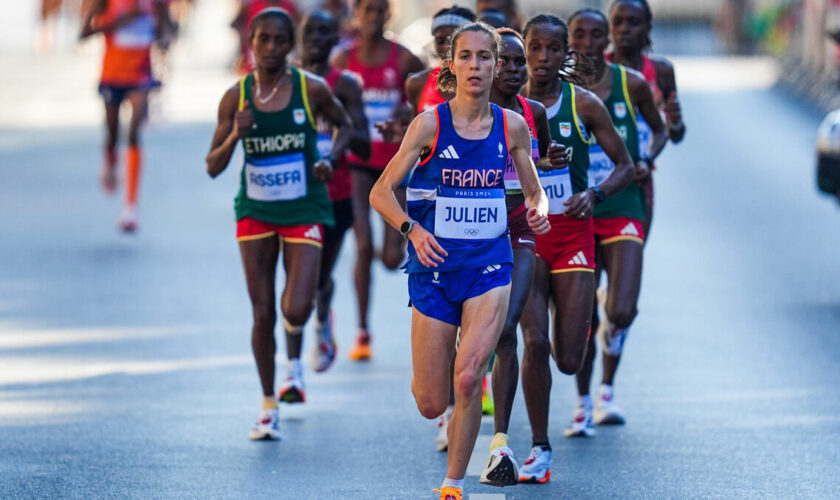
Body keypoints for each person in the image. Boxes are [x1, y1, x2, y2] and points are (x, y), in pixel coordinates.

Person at [369, 22, 549, 500]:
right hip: (433, 267)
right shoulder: (429, 124)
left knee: (469, 377)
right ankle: (442, 377)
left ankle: (453, 484)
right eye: (465, 57)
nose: (476, 65)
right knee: (431, 401)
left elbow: (535, 191)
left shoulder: (512, 126)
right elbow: (381, 193)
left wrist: (538, 210)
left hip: (490, 264)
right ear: (451, 65)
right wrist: (413, 229)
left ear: (496, 64)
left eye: (485, 57)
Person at [205, 8, 353, 440]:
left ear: (291, 45)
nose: (271, 49)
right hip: (256, 211)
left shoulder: (313, 89)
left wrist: (329, 158)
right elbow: (213, 166)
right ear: (251, 42)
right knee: (263, 311)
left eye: (279, 41)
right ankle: (268, 404)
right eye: (263, 40)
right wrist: (235, 135)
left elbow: (345, 127)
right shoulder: (236, 97)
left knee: (296, 306)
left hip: (306, 207)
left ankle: (299, 356)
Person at [514, 14, 635, 483]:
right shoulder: (505, 106)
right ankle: (539, 448)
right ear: (523, 50)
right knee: (535, 342)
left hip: (571, 237)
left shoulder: (583, 105)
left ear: (567, 54)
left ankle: (589, 331)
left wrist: (595, 195)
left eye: (552, 50)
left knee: (568, 358)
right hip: (525, 236)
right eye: (534, 48)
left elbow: (626, 164)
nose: (542, 59)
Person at [568, 7, 666, 431]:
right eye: (579, 35)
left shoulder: (634, 84)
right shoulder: (553, 90)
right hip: (576, 210)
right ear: (568, 42)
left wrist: (646, 157)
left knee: (621, 310)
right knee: (583, 313)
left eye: (596, 35)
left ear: (607, 40)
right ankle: (588, 400)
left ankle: (608, 384)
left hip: (624, 202)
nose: (588, 43)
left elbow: (660, 130)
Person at [332, 0, 425, 361]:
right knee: (363, 244)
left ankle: (382, 253)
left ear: (389, 14)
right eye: (366, 10)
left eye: (379, 10)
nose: (372, 17)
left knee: (389, 257)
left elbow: (424, 104)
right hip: (356, 165)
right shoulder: (343, 61)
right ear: (355, 14)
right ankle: (362, 332)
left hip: (395, 168)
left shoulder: (405, 60)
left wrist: (407, 115)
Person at [299, 10, 371, 372]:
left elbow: (365, 148)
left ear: (335, 40)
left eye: (324, 32)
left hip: (335, 196)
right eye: (309, 30)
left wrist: (339, 120)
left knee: (318, 278)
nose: (315, 38)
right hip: (293, 198)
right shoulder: (284, 80)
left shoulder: (345, 84)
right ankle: (293, 368)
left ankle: (323, 316)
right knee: (298, 280)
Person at [80, 0, 173, 233]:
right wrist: (121, 20)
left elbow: (167, 33)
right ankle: (110, 157)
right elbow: (83, 33)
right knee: (113, 133)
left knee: (133, 133)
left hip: (141, 77)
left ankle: (130, 209)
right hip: (112, 75)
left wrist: (163, 33)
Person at [606, 0, 686, 238]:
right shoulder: (596, 67)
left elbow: (675, 133)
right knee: (588, 272)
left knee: (631, 263)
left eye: (633, 22)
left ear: (648, 27)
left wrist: (675, 122)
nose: (624, 29)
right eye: (618, 22)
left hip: (639, 179)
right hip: (597, 178)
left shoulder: (661, 71)